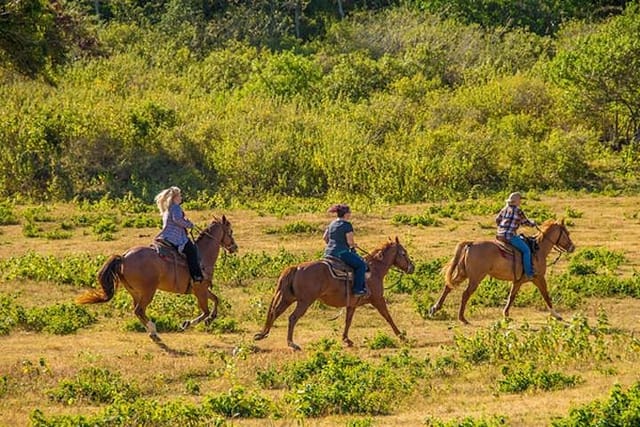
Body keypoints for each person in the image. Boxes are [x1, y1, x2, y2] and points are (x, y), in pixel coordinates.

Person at [154, 186, 204, 282]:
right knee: (192, 251)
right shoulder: (176, 207)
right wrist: (189, 225)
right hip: (175, 237)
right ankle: (196, 276)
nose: (181, 197)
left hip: (166, 235)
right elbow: (177, 220)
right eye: (179, 195)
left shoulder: (167, 209)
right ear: (174, 198)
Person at [323, 203, 368, 296]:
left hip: (328, 253)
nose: (350, 214)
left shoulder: (332, 223)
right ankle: (358, 289)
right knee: (361, 265)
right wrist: (353, 245)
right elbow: (350, 242)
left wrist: (332, 245)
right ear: (346, 214)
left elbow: (325, 237)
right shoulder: (347, 225)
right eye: (349, 212)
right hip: (341, 253)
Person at [495, 192, 537, 278]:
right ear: (517, 201)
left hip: (499, 235)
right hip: (509, 236)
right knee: (526, 251)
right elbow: (526, 222)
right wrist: (533, 224)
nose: (521, 201)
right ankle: (529, 273)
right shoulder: (518, 211)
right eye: (520, 200)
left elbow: (497, 219)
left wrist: (502, 228)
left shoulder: (504, 209)